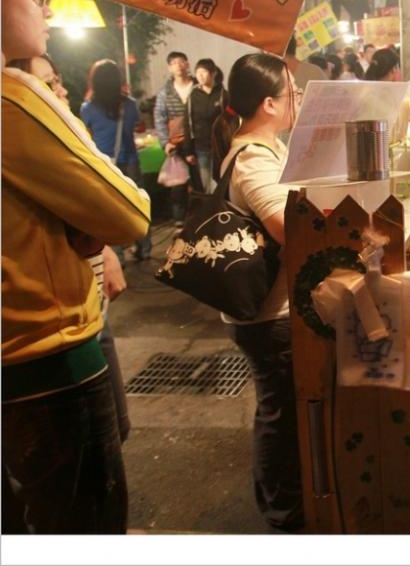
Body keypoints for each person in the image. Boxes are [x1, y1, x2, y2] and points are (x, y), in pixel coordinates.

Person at [2, 0, 151, 533]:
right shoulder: (13, 99)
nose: (47, 8)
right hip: (47, 363)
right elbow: (129, 212)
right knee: (85, 525)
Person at [8, 54, 132, 443]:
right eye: (47, 84)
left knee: (117, 428)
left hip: (92, 312)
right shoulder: (26, 137)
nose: (60, 91)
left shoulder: (66, 129)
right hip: (55, 340)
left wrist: (105, 250)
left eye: (58, 81)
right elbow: (130, 215)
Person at [215, 52, 304, 532]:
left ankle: (283, 504)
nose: (298, 101)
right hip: (267, 313)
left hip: (271, 308)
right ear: (268, 103)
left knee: (279, 409)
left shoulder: (268, 146)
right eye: (292, 93)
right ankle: (282, 514)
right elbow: (285, 223)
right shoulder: (252, 156)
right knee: (279, 413)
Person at [81, 59, 152, 262]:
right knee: (138, 205)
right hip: (130, 160)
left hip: (105, 164)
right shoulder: (129, 105)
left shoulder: (88, 108)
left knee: (112, 209)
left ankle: (118, 254)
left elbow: (87, 134)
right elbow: (135, 126)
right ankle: (144, 248)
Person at [154, 50, 194, 223]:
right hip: (176, 143)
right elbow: (159, 118)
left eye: (181, 61)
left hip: (198, 142)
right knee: (178, 185)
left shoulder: (197, 86)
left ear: (187, 64)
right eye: (174, 63)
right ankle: (180, 221)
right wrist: (165, 143)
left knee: (201, 182)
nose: (178, 65)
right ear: (169, 68)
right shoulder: (165, 92)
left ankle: (200, 218)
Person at [184, 58, 228, 193]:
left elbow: (230, 121)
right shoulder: (193, 96)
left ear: (213, 73)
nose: (200, 76)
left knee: (218, 182)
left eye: (204, 72)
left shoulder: (222, 95)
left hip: (219, 146)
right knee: (205, 183)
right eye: (198, 73)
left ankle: (218, 210)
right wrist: (188, 150)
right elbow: (188, 123)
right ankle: (210, 210)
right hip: (201, 146)